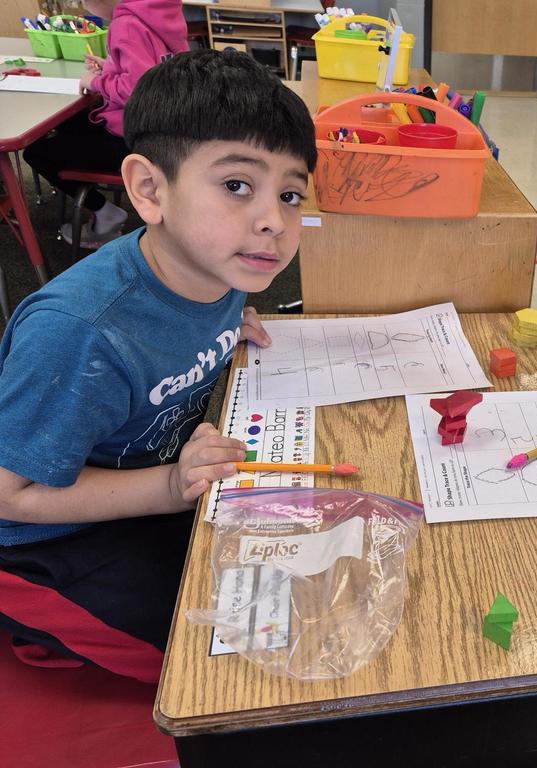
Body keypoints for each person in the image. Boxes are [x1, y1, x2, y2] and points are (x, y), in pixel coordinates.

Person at [0, 49, 317, 683]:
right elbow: (12, 495)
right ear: (150, 189)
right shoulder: (80, 334)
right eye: (237, 185)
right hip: (45, 547)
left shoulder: (220, 265)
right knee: (217, 664)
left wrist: (229, 329)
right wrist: (170, 488)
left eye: (289, 194)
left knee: (296, 587)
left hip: (147, 488)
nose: (272, 222)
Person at [23, 0, 188, 247]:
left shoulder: (125, 24)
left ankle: (103, 212)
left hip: (132, 140)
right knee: (70, 125)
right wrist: (110, 68)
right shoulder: (159, 16)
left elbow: (137, 88)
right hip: (161, 132)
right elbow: (153, 70)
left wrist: (96, 82)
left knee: (36, 152)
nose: (84, 8)